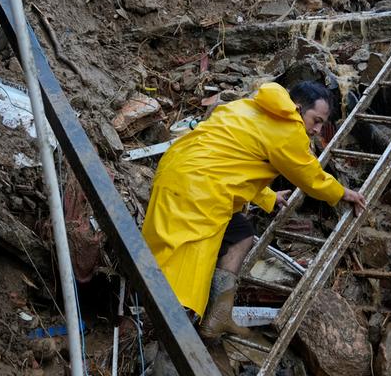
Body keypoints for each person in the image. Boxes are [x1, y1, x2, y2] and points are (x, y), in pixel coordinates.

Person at [142, 81, 367, 340]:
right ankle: (169, 329)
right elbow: (310, 176)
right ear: (297, 107)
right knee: (184, 258)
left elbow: (235, 158)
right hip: (200, 189)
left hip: (178, 171)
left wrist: (269, 197)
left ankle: (218, 315)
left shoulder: (249, 106)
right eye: (316, 120)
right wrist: (344, 193)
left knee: (239, 233)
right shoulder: (289, 128)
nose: (317, 130)